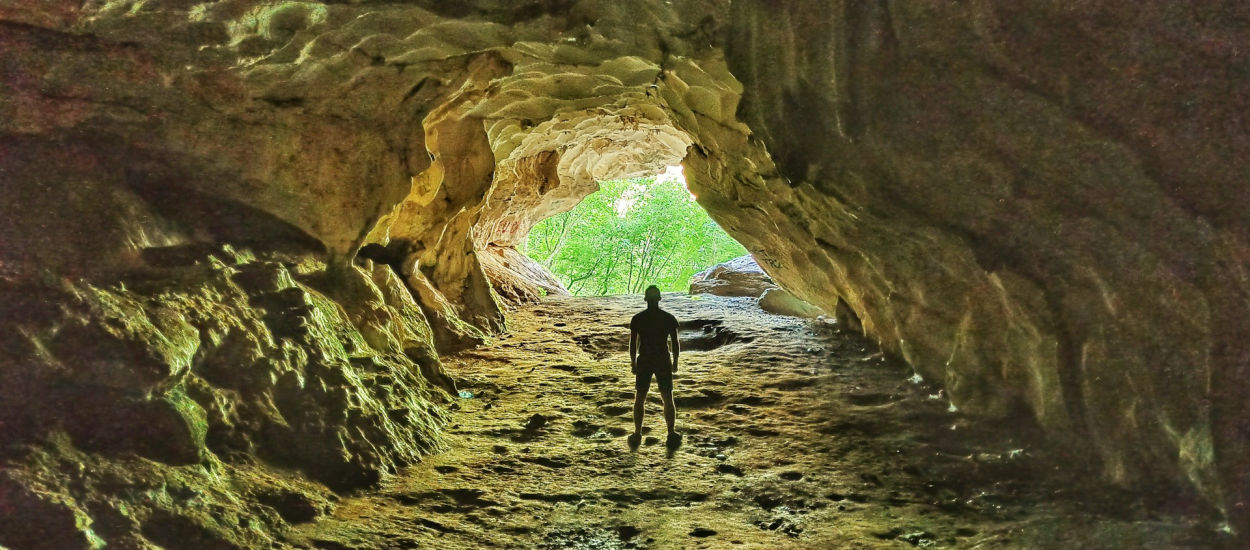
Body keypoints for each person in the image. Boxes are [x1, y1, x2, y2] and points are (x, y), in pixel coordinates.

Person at [628, 285, 681, 447]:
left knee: (640, 398)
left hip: (644, 359)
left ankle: (637, 433)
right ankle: (671, 433)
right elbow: (675, 343)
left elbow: (633, 343)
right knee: (667, 397)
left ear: (645, 299)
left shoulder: (638, 319)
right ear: (659, 299)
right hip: (662, 359)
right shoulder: (668, 318)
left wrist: (633, 362)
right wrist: (675, 361)